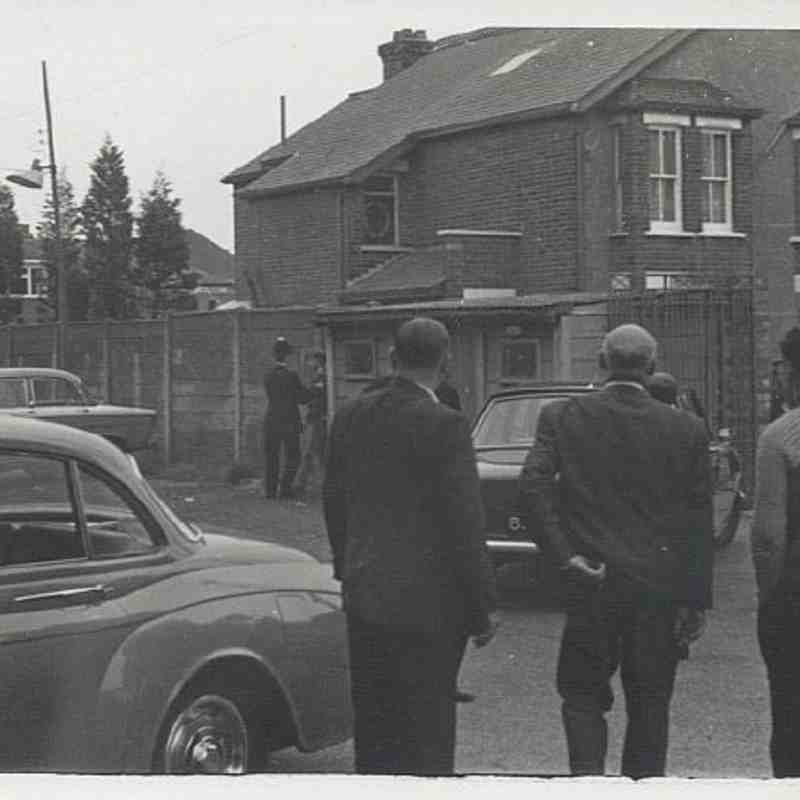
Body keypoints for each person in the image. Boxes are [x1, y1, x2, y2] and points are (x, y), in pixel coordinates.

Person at [518, 323, 713, 778]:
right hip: (657, 589)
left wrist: (565, 554)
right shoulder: (686, 428)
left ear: (602, 363)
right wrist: (695, 598)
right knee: (650, 704)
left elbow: (532, 487)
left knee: (582, 698)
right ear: (652, 365)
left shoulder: (562, 417)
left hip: (593, 583)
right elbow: (697, 519)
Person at [323, 316, 498, 775]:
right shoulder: (446, 424)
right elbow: (464, 521)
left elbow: (334, 503)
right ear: (447, 361)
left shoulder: (350, 415)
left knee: (375, 724)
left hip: (366, 594)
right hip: (431, 606)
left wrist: (347, 570)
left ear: (392, 358)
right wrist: (481, 607)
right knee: (427, 731)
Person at [752, 326, 800, 777]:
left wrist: (768, 597)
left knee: (790, 716)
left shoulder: (780, 438)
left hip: (794, 599)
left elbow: (770, 537)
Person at [263, 336, 311, 499]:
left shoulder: (268, 376)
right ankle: (285, 489)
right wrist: (314, 388)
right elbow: (303, 398)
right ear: (287, 356)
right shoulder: (292, 376)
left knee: (272, 457)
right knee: (293, 456)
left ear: (274, 355)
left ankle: (270, 491)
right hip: (290, 421)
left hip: (272, 421)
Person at [293, 351, 327, 497]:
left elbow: (312, 394)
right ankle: (304, 484)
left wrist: (300, 395)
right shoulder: (318, 376)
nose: (308, 364)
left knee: (310, 452)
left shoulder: (321, 376)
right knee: (315, 453)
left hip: (316, 418)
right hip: (315, 417)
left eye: (310, 361)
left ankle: (299, 485)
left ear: (318, 361)